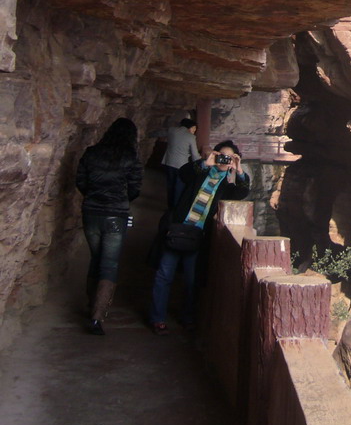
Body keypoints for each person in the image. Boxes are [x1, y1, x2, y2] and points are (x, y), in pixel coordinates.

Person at [149, 140, 250, 335]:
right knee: (163, 275)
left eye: (228, 158)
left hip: (198, 237)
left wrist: (239, 170)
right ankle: (157, 318)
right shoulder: (200, 172)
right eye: (221, 154)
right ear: (215, 154)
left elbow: (242, 192)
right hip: (178, 230)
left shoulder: (227, 186)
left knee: (191, 280)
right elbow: (183, 173)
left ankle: (188, 318)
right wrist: (206, 162)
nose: (224, 160)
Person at [75, 117, 143, 335]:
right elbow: (135, 188)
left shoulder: (91, 152)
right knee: (110, 264)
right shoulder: (130, 157)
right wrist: (121, 201)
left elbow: (81, 180)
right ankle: (97, 316)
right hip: (116, 214)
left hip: (91, 212)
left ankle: (90, 304)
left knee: (96, 258)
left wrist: (93, 197)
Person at [161, 117, 199, 208]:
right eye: (194, 129)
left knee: (170, 185)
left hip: (169, 162)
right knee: (178, 187)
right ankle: (175, 208)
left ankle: (169, 206)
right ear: (190, 127)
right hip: (181, 166)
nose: (194, 131)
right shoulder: (191, 137)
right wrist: (201, 163)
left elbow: (159, 133)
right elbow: (195, 155)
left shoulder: (172, 130)